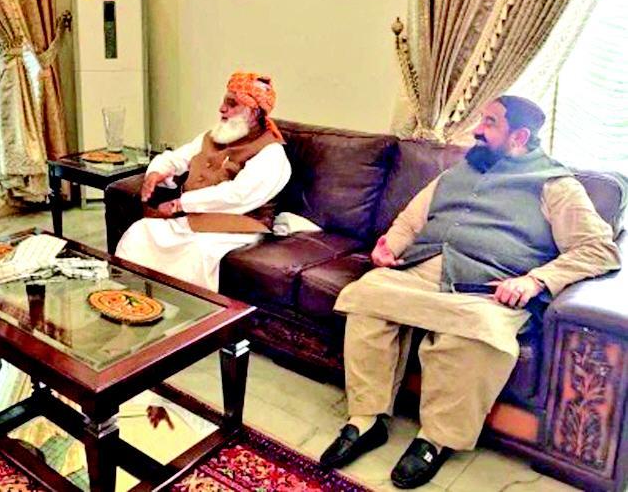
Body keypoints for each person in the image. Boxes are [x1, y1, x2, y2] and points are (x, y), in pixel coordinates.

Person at [320, 96, 621, 489]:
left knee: (477, 332)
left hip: (489, 288)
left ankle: (435, 439)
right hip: (424, 272)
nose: (477, 129)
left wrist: (535, 281)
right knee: (369, 294)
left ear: (519, 137)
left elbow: (599, 249)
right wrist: (389, 248)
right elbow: (411, 221)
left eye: (490, 123)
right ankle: (366, 420)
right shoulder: (458, 171)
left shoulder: (556, 186)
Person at [115, 72, 291, 291]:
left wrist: (181, 204)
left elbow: (237, 195)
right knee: (139, 233)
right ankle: (128, 300)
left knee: (196, 253)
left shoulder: (271, 154)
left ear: (253, 112)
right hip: (196, 219)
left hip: (238, 227)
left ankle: (184, 309)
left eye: (231, 104)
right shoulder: (216, 135)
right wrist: (156, 172)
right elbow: (178, 157)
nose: (222, 109)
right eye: (224, 101)